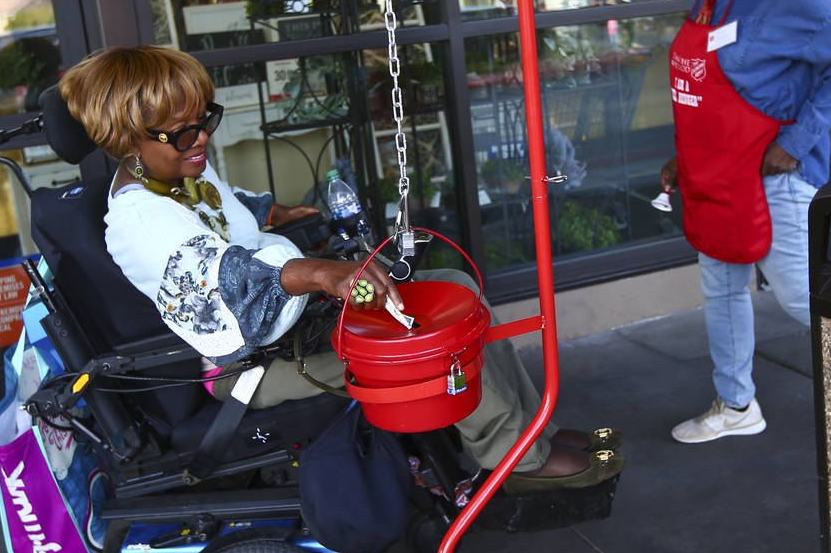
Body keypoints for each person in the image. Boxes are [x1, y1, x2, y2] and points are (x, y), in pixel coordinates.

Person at [59, 45, 624, 490]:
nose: (203, 136)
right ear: (126, 139)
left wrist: (277, 212)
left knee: (455, 290)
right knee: (432, 336)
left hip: (292, 326)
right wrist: (325, 274)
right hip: (253, 365)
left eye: (204, 118)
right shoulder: (141, 219)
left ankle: (533, 431)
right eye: (183, 132)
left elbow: (228, 211)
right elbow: (229, 281)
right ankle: (511, 462)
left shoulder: (176, 177)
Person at [660, 0, 831, 444]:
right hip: (716, 176)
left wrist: (797, 142)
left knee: (804, 298)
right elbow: (707, 82)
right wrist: (686, 155)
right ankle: (736, 406)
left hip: (773, 177)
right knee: (721, 289)